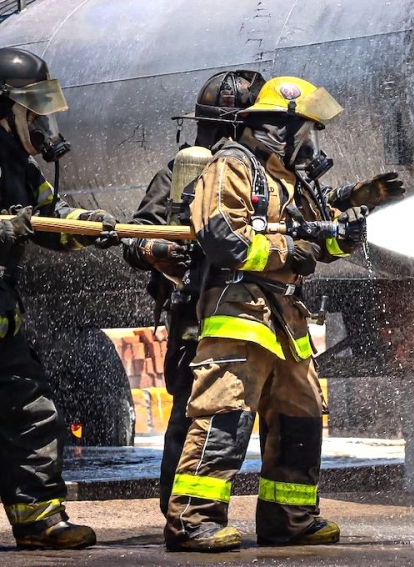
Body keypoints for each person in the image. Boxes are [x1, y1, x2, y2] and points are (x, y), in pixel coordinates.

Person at [163, 76, 400, 552]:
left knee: (301, 418)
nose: (311, 143)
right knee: (224, 413)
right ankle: (193, 521)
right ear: (280, 128)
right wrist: (289, 249)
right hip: (239, 311)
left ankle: (289, 520)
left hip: (286, 318)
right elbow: (221, 239)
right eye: (307, 131)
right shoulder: (231, 165)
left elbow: (316, 242)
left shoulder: (288, 178)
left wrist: (342, 237)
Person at [122, 70, 266, 518]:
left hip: (258, 319)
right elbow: (136, 236)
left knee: (238, 423)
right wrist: (158, 250)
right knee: (193, 420)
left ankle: (225, 514)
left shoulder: (262, 175)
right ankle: (183, 516)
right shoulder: (181, 171)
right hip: (194, 321)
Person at [0, 47, 119, 550]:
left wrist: (86, 228)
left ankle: (40, 518)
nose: (40, 120)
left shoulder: (18, 165)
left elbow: (50, 219)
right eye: (32, 109)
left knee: (33, 414)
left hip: (5, 322)